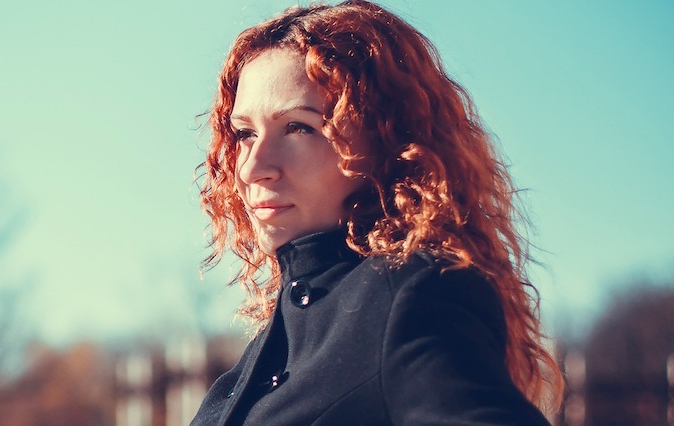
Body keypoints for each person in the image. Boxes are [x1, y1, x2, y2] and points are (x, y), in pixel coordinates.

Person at [191, 1, 564, 424]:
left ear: (387, 141)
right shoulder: (277, 338)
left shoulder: (414, 295)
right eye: (244, 133)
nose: (253, 167)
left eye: (299, 127)